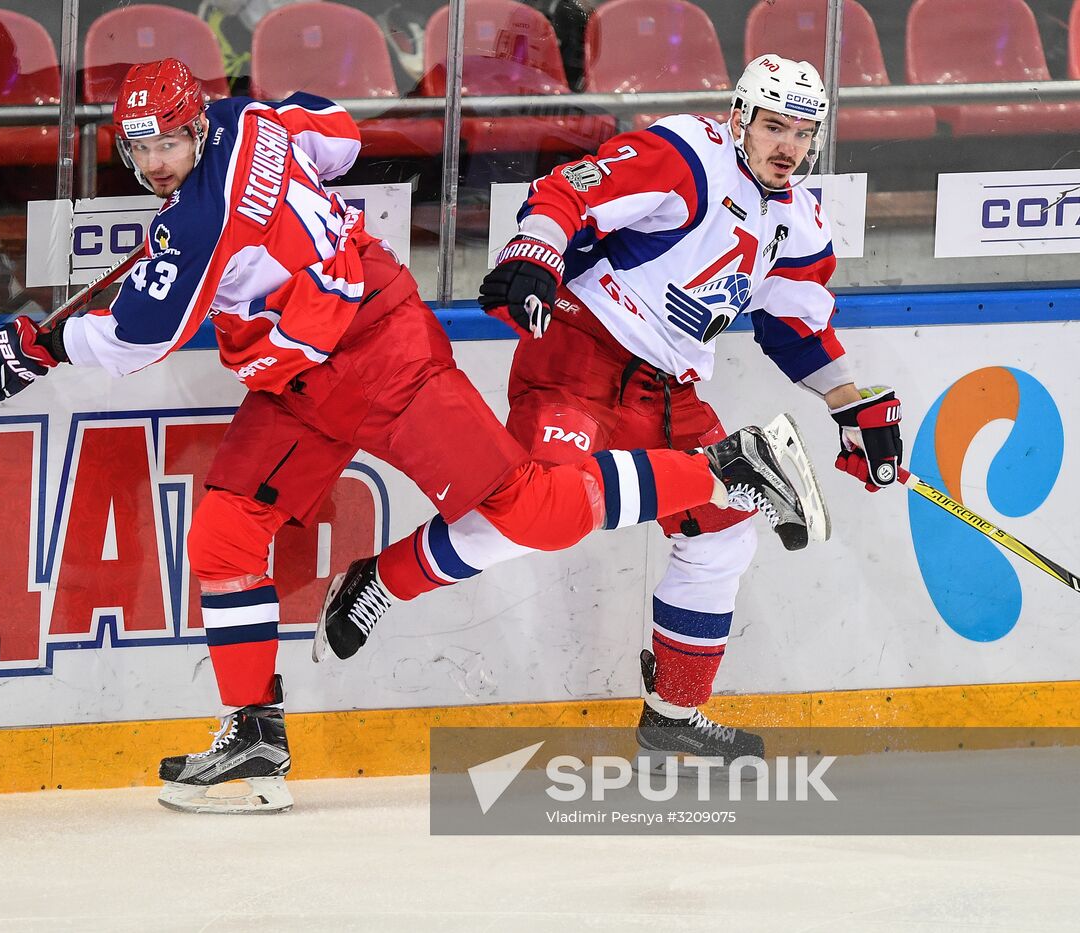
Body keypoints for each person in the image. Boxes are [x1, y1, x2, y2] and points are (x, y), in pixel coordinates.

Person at [0, 58, 817, 813]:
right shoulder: (250, 118)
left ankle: (723, 469)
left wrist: (35, 348)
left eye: (168, 145)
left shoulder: (196, 221)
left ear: (191, 128)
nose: (156, 163)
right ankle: (254, 734)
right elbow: (338, 136)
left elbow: (137, 339)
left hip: (382, 353)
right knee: (223, 534)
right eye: (141, 150)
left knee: (539, 511)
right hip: (301, 382)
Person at [319, 55, 903, 767]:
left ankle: (674, 713)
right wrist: (537, 251)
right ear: (740, 118)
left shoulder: (803, 223)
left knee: (725, 534)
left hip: (669, 391)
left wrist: (857, 408)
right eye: (774, 126)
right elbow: (572, 188)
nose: (789, 146)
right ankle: (382, 579)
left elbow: (798, 329)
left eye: (803, 132)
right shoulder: (687, 152)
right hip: (581, 354)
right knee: (537, 515)